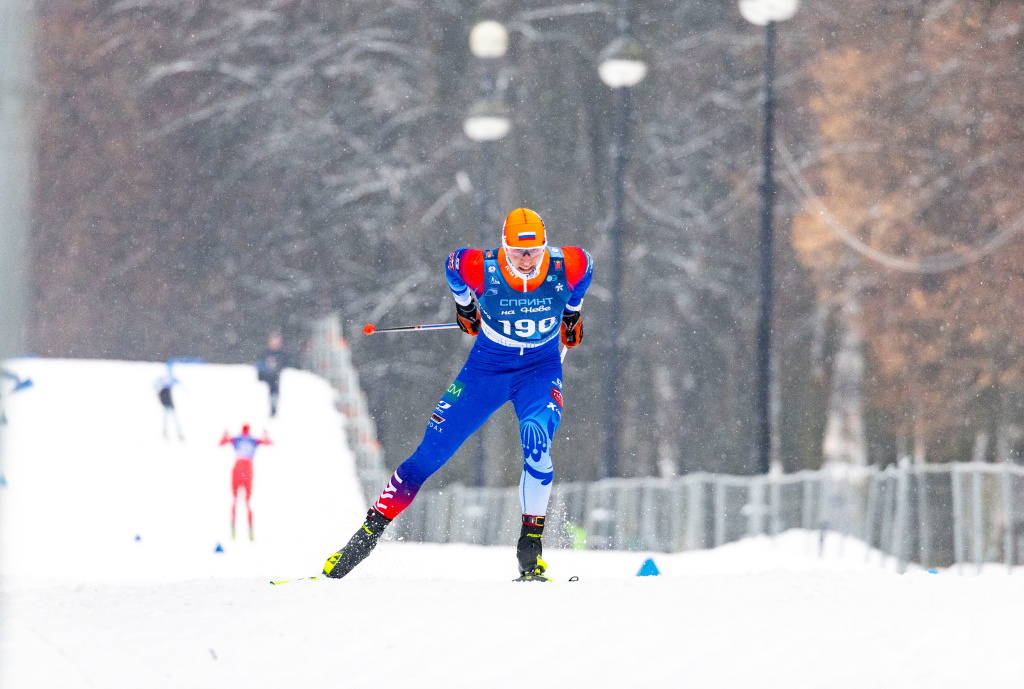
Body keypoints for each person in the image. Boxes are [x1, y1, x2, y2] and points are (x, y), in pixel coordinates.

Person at [323, 208, 592, 581]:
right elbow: (452, 266)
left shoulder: (572, 265)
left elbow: (582, 279)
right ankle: (365, 538)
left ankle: (530, 552)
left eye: (534, 252)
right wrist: (465, 306)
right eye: (518, 253)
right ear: (504, 248)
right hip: (486, 370)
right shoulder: (480, 267)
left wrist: (572, 315)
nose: (527, 262)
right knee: (428, 455)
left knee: (536, 437)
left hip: (539, 370)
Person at [219, 423, 272, 540]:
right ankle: (250, 530)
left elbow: (221, 443)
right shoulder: (253, 440)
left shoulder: (237, 439)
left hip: (237, 469)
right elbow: (269, 443)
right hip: (248, 469)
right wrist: (265, 434)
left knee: (234, 500)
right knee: (247, 502)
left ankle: (233, 530)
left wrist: (225, 434)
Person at [256, 332, 289, 417]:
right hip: (267, 378)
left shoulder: (283, 354)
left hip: (276, 379)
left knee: (274, 392)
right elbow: (259, 365)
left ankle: (274, 408)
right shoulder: (265, 353)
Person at [154, 363, 183, 440]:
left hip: (165, 394)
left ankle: (167, 431)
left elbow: (155, 384)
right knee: (170, 413)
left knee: (168, 413)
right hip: (166, 395)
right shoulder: (168, 377)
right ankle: (174, 432)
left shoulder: (165, 377)